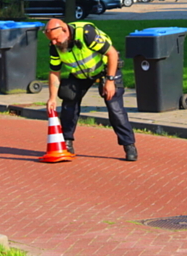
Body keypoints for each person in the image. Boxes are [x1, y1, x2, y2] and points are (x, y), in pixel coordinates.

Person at [43, 18, 138, 161]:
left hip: (105, 69)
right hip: (80, 74)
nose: (54, 43)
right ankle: (66, 142)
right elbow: (54, 72)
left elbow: (112, 54)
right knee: (69, 101)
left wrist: (110, 80)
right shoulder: (55, 46)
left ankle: (129, 144)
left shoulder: (87, 34)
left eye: (56, 39)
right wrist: (52, 98)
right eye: (52, 40)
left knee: (114, 107)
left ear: (64, 30)